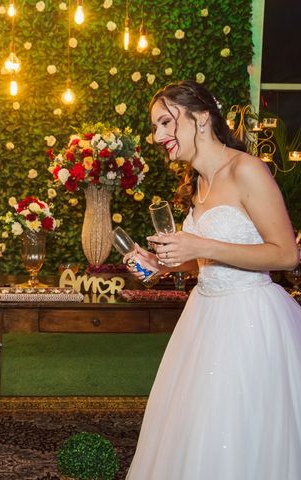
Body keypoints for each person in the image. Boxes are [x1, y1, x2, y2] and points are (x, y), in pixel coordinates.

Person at [125, 80, 301, 479]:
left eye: (166, 123)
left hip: (250, 322)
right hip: (203, 317)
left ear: (201, 118)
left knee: (237, 423)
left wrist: (198, 243)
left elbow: (286, 254)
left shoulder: (247, 170)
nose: (158, 137)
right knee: (196, 425)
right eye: (155, 127)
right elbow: (206, 257)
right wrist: (167, 263)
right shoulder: (197, 184)